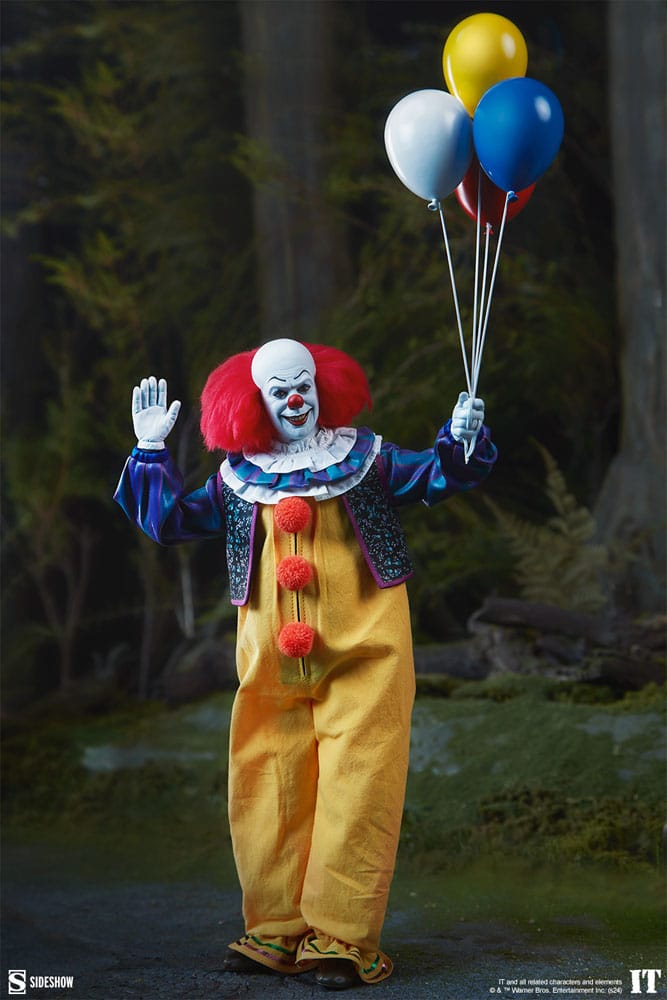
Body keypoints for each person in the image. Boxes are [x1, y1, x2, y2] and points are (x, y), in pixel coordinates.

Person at [114, 338, 497, 990]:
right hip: (268, 660)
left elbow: (438, 474)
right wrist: (150, 450)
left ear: (323, 387)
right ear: (253, 403)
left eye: (303, 384)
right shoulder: (240, 477)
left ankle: (341, 936)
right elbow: (171, 522)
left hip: (365, 649)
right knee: (266, 779)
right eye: (279, 390)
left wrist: (460, 439)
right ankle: (276, 926)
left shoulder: (363, 457)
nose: (295, 400)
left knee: (360, 781)